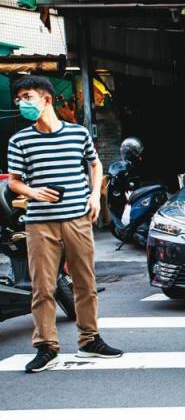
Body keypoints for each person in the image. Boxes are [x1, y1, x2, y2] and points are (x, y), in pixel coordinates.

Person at [7, 75, 123, 373]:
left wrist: (96, 197)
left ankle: (90, 339)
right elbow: (15, 182)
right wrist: (33, 192)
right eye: (19, 98)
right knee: (43, 287)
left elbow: (94, 164)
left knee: (85, 282)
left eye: (27, 96)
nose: (22, 103)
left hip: (77, 218)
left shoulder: (77, 134)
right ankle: (46, 346)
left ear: (46, 99)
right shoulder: (19, 140)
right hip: (39, 223)